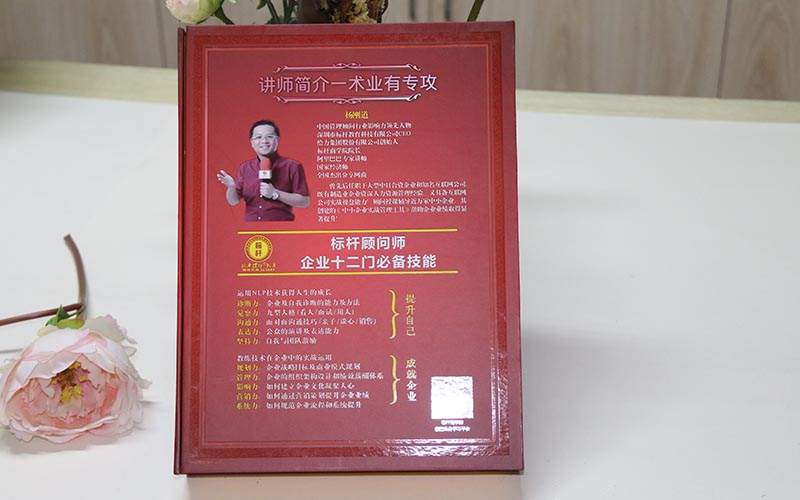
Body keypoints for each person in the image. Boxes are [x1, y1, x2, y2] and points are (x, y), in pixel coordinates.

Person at [216, 120, 310, 221]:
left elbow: (305, 202)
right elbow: (233, 201)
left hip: (281, 227)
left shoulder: (292, 166)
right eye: (258, 137)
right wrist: (231, 187)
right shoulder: (245, 168)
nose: (264, 141)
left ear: (277, 140)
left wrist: (275, 194)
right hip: (251, 228)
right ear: (252, 142)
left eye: (269, 136)